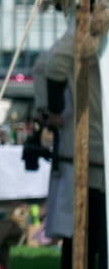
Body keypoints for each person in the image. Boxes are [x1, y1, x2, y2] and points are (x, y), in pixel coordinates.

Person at [39, 25, 106, 269]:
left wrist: (54, 110)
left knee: (91, 231)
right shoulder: (86, 27)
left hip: (93, 142)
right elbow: (51, 65)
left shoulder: (86, 27)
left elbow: (54, 64)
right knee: (86, 231)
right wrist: (54, 109)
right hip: (91, 143)